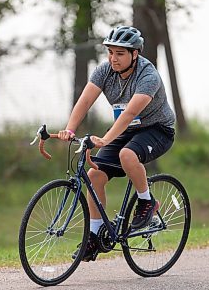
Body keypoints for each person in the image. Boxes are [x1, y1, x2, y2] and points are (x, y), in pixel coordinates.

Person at [58, 25, 176, 262]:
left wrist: (104, 139)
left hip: (158, 129)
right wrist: (70, 128)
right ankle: (95, 234)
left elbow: (130, 113)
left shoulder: (148, 76)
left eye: (120, 53)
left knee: (127, 155)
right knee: (94, 175)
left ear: (135, 54)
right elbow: (85, 100)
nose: (113, 58)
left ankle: (147, 201)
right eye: (110, 52)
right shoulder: (105, 71)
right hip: (127, 129)